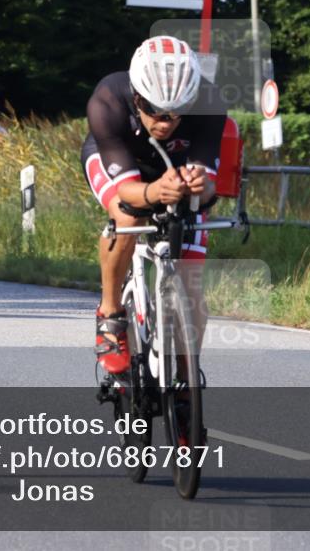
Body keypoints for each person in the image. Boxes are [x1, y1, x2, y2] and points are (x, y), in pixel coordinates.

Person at [81, 36, 226, 375]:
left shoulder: (210, 101)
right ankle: (111, 314)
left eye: (177, 115)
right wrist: (156, 192)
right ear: (136, 99)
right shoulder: (108, 99)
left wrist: (199, 186)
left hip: (174, 169)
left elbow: (208, 185)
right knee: (127, 216)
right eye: (154, 112)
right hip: (120, 165)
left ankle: (187, 377)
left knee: (191, 281)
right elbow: (129, 192)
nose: (165, 123)